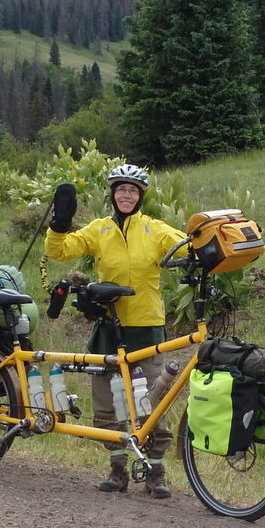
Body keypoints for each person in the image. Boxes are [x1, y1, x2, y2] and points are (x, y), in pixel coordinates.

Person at [44, 163, 186, 499]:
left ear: (141, 197)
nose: (126, 195)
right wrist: (60, 223)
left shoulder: (155, 229)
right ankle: (118, 469)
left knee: (153, 402)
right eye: (121, 189)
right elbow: (59, 250)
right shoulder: (100, 229)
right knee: (107, 404)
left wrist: (206, 245)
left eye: (133, 190)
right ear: (113, 194)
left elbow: (184, 247)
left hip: (146, 327)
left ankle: (155, 472)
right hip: (108, 326)